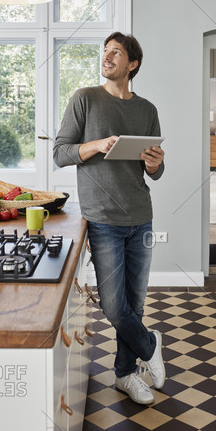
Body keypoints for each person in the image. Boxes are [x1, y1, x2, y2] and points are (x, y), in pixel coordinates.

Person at [53, 31, 165, 405]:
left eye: (116, 52)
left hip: (141, 217)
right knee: (114, 305)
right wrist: (98, 145)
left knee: (134, 305)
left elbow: (153, 172)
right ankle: (149, 346)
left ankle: (124, 375)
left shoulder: (146, 110)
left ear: (132, 64)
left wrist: (156, 164)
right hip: (102, 220)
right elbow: (61, 152)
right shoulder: (85, 99)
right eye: (105, 52)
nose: (107, 57)